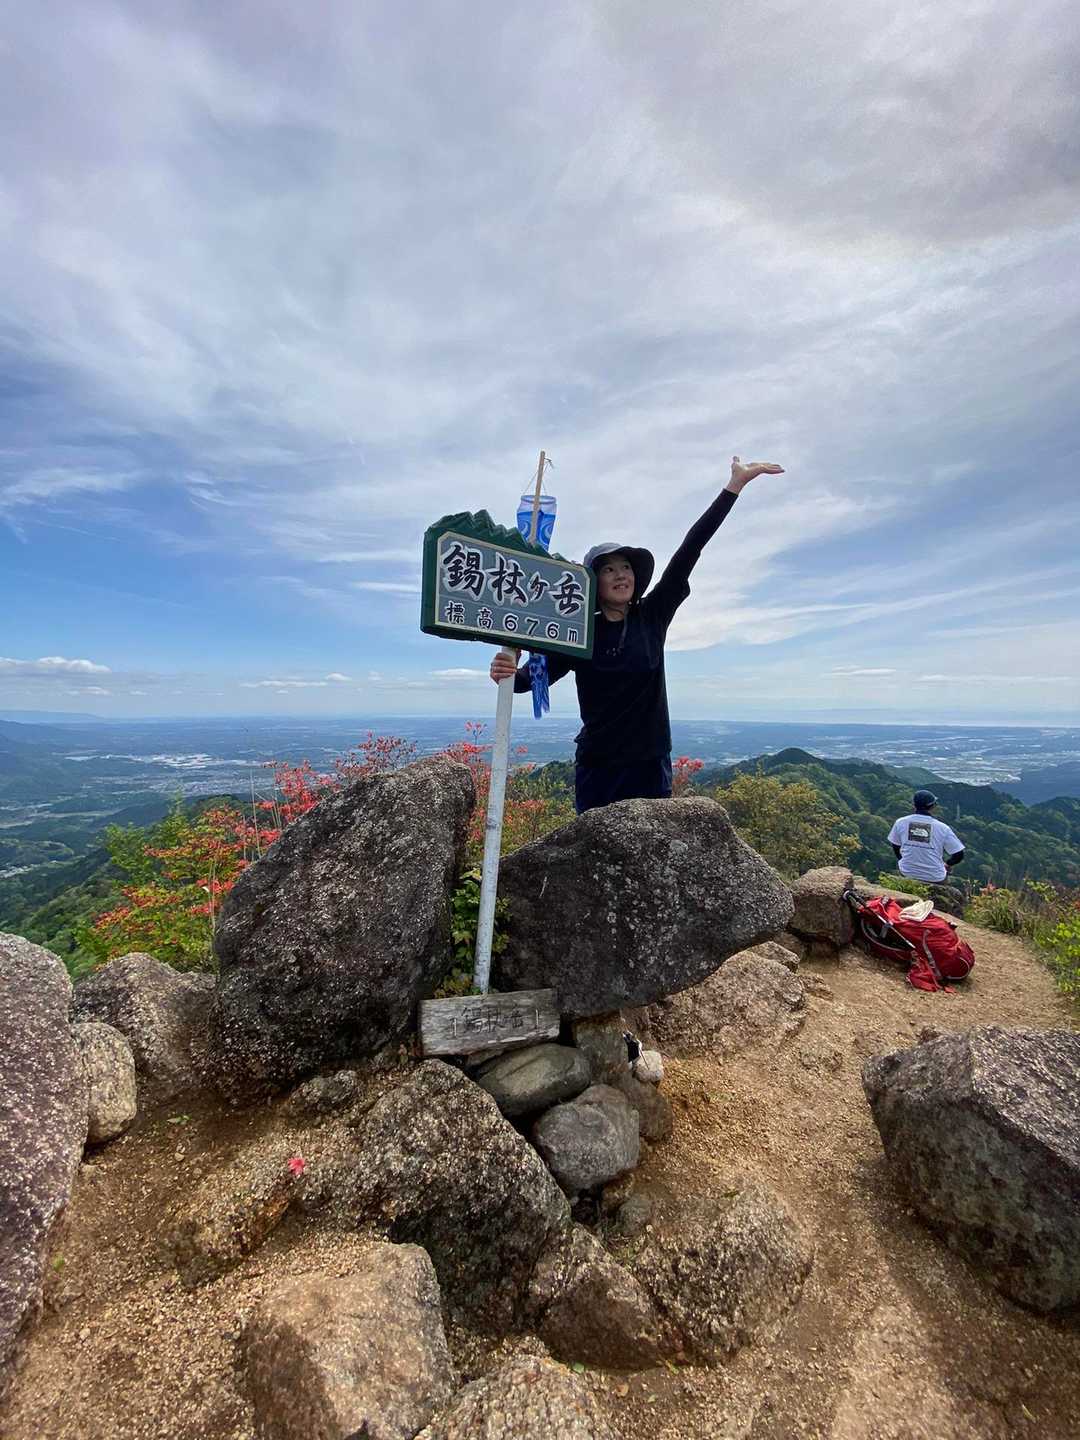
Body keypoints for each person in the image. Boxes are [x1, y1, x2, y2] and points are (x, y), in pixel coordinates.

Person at [489, 454, 785, 813]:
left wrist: (734, 486)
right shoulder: (578, 632)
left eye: (626, 567)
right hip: (599, 769)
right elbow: (529, 681)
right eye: (609, 569)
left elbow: (690, 550)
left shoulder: (653, 615)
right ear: (593, 583)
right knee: (594, 844)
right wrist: (506, 669)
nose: (620, 575)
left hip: (649, 766)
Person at [887, 790, 965, 884]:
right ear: (933, 806)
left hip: (907, 872)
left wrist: (902, 859)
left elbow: (895, 845)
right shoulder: (943, 828)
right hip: (934, 876)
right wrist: (948, 864)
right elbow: (959, 854)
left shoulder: (900, 822)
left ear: (914, 805)